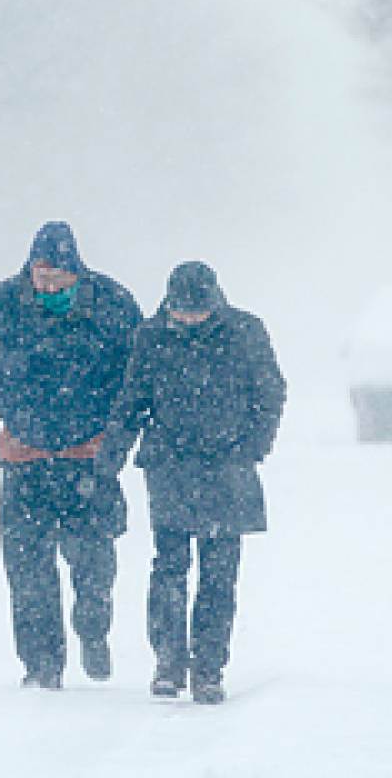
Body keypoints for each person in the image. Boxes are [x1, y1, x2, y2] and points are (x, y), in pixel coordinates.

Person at [0, 221, 142, 689]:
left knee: (93, 562)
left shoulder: (111, 304)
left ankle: (93, 628)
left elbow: (138, 369)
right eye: (42, 277)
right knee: (28, 569)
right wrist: (7, 402)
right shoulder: (4, 304)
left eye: (59, 278)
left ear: (76, 272)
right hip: (25, 457)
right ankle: (42, 665)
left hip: (89, 457)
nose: (49, 286)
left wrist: (112, 422)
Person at [100, 261, 285, 705]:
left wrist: (252, 446)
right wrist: (112, 456)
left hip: (228, 468)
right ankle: (168, 661)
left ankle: (208, 668)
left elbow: (270, 392)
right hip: (170, 467)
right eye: (180, 312)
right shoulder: (151, 336)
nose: (187, 319)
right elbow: (133, 400)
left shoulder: (245, 332)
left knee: (219, 575)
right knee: (168, 568)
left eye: (196, 312)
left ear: (214, 302)